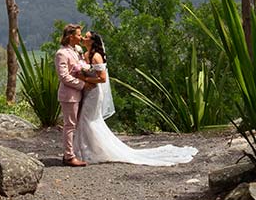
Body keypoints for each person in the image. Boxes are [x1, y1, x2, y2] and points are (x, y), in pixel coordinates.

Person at [74, 31, 197, 166]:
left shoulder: (97, 56)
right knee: (86, 119)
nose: (83, 39)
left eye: (86, 37)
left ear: (92, 41)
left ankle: (91, 151)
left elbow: (102, 78)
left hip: (94, 93)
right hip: (88, 91)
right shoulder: (86, 55)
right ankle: (89, 149)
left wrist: (84, 78)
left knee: (88, 119)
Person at [54, 23, 97, 167]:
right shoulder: (61, 53)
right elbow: (64, 77)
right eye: (79, 35)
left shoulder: (77, 50)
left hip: (79, 94)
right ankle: (69, 157)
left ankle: (74, 152)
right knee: (70, 125)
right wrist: (83, 84)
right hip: (69, 95)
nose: (81, 37)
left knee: (76, 124)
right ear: (71, 37)